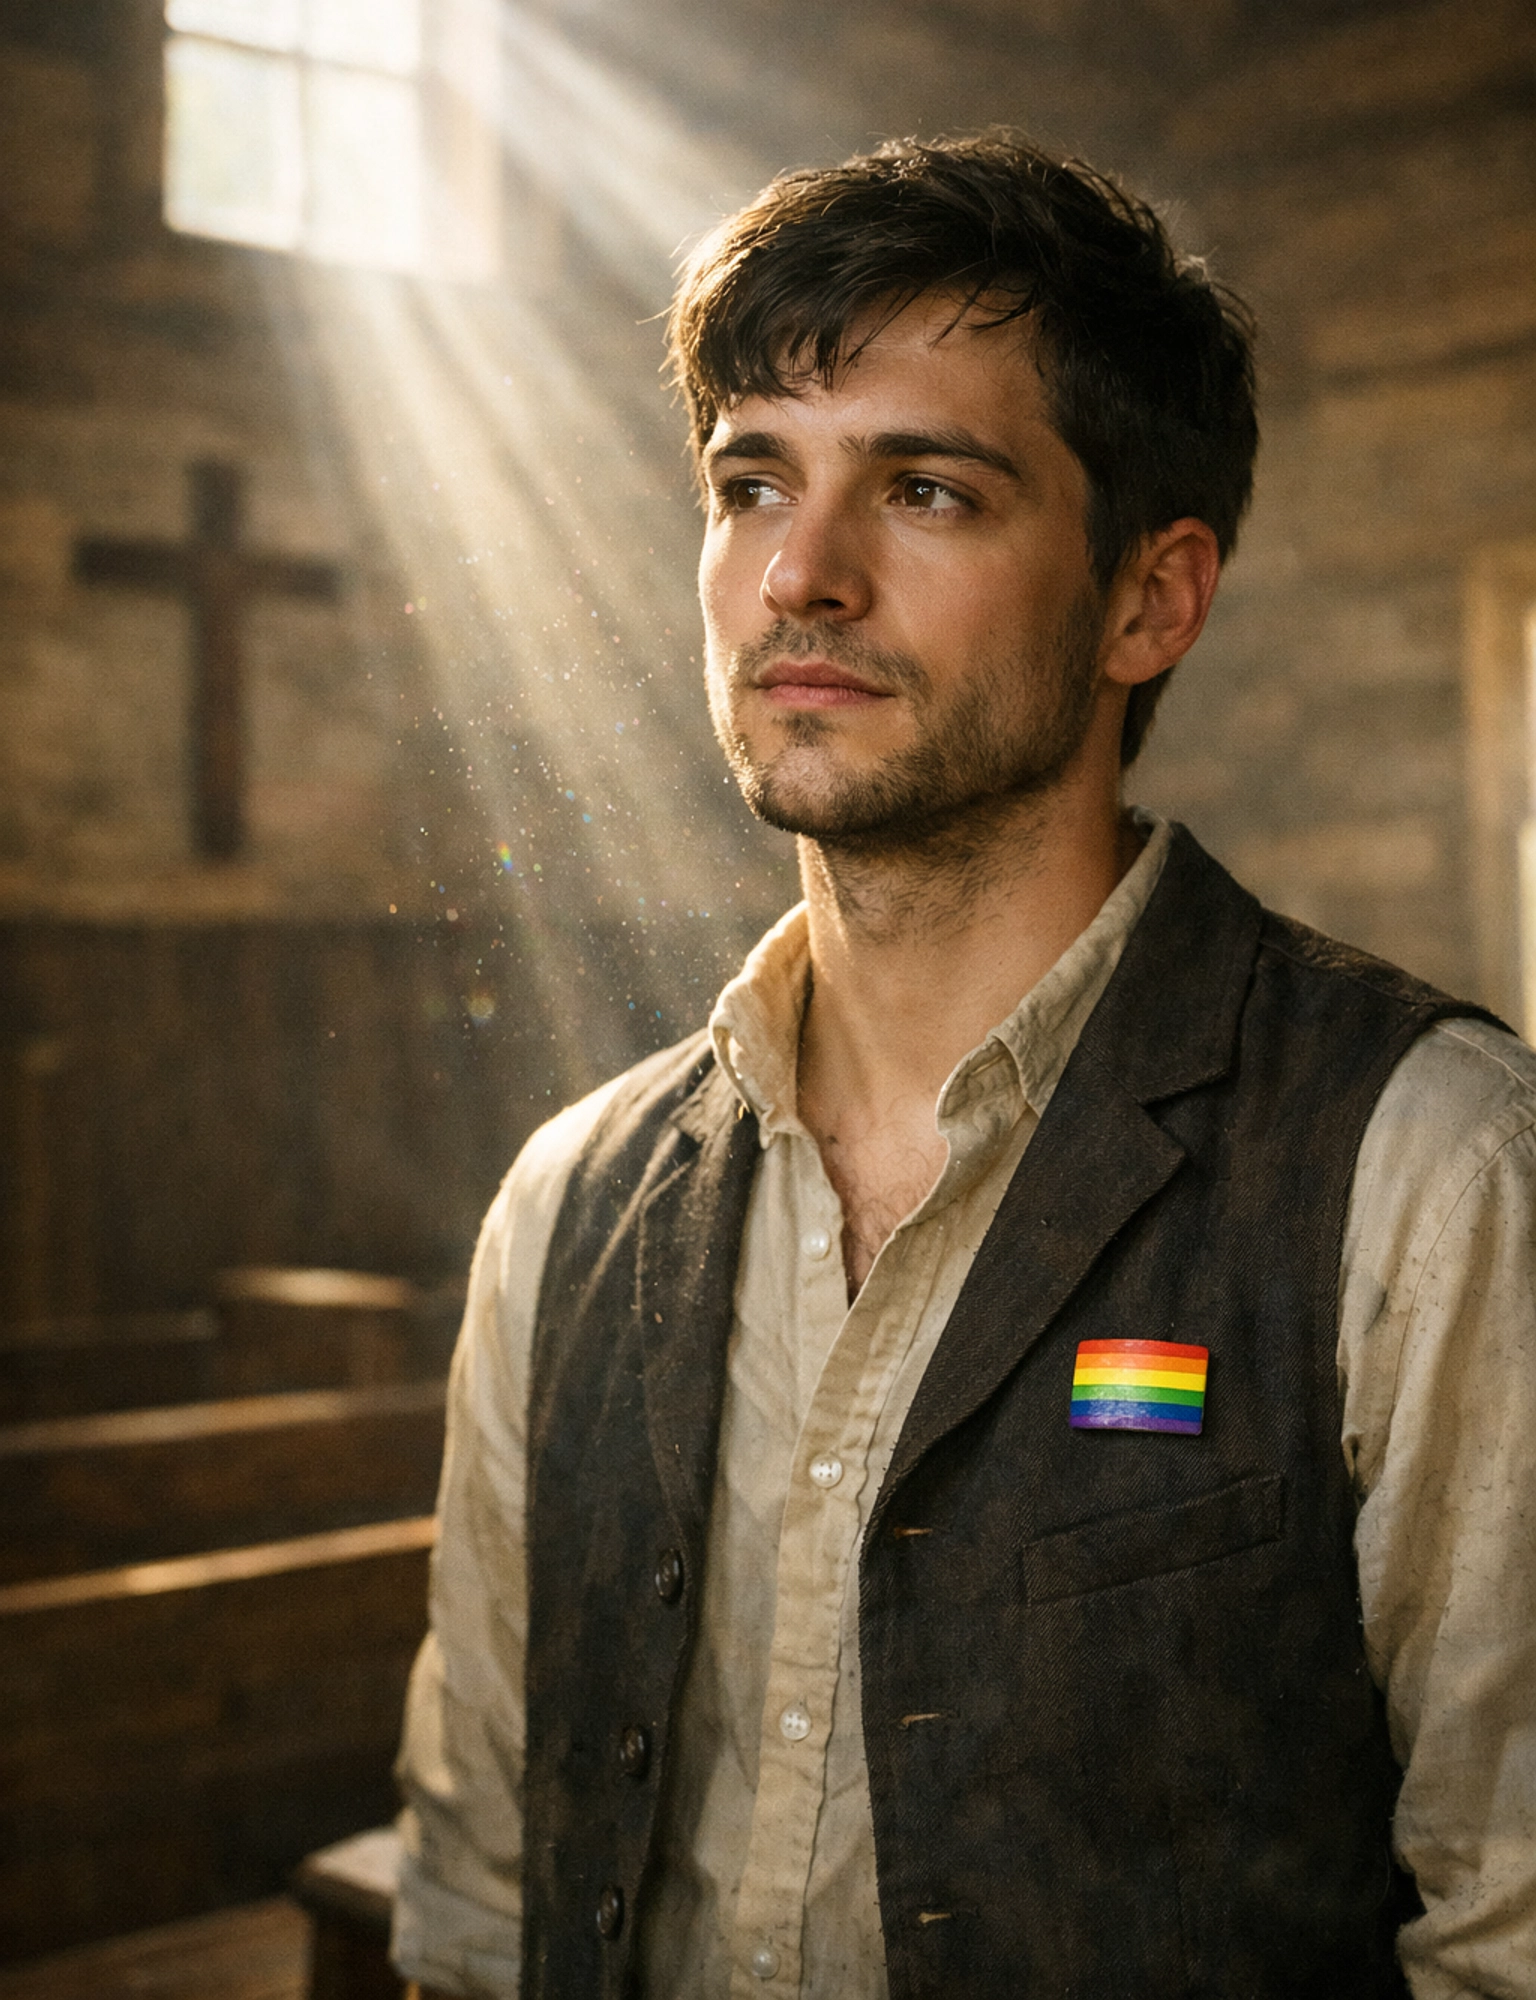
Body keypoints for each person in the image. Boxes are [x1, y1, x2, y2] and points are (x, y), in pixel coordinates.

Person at [392, 133, 1536, 1999]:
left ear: (1150, 601)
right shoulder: (571, 1204)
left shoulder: (1429, 1168)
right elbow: (474, 1907)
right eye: (752, 482)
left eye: (925, 490)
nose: (802, 577)